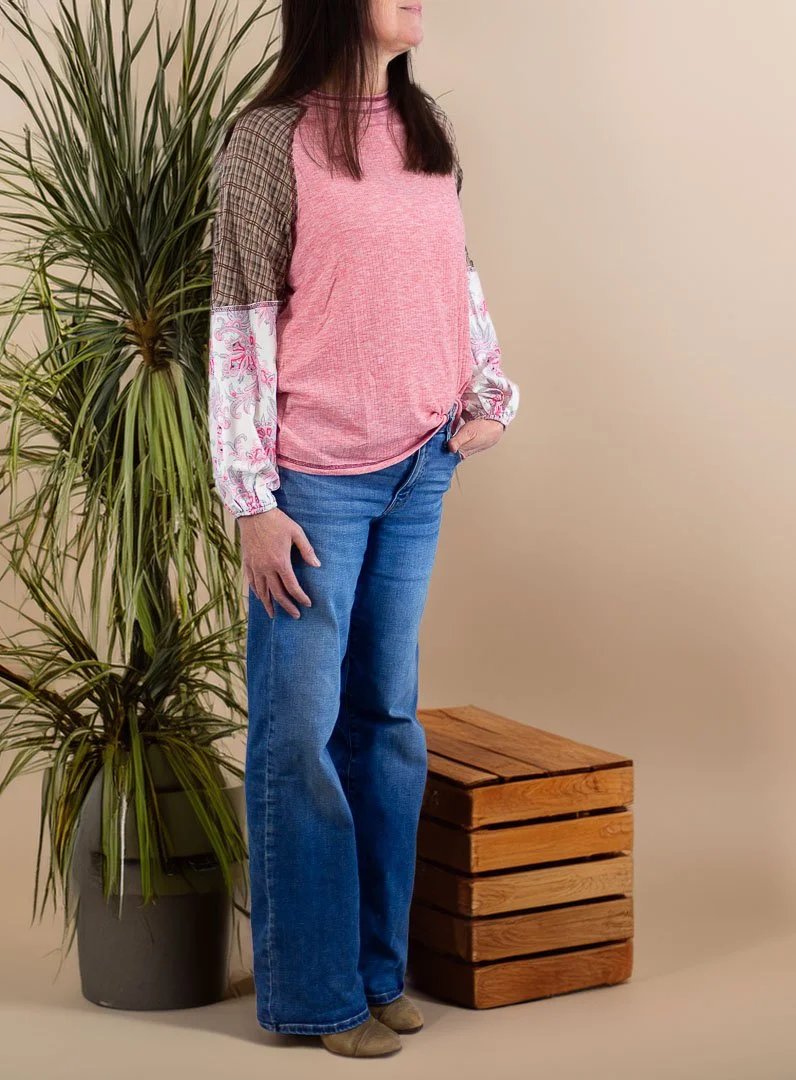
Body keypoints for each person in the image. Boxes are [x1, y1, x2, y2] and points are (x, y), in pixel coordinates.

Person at [207, 0, 519, 1058]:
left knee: (385, 721)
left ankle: (381, 972)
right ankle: (315, 996)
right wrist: (251, 498)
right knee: (299, 737)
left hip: (421, 468)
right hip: (313, 488)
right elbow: (240, 322)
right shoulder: (267, 141)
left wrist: (486, 392)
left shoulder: (423, 126)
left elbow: (452, 277)